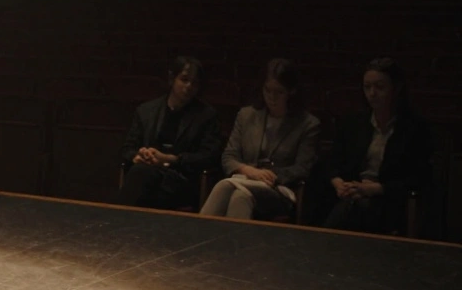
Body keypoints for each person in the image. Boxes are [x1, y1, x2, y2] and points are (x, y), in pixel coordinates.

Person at [322, 57, 433, 235]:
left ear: (396, 89)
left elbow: (418, 177)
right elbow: (332, 162)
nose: (372, 93)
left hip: (388, 199)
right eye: (367, 87)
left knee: (357, 208)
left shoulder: (413, 128)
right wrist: (339, 184)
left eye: (380, 87)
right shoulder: (354, 123)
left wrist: (375, 188)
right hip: (350, 192)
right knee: (346, 203)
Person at [200, 58, 319, 221]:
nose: (272, 97)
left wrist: (270, 176)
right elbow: (229, 157)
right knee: (240, 196)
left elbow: (302, 168)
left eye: (279, 92)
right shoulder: (246, 115)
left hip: (278, 189)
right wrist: (249, 171)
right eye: (267, 90)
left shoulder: (307, 124)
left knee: (226, 186)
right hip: (244, 179)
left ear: (291, 91)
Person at [117, 56, 222, 210]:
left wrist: (170, 159)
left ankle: (116, 223)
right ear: (172, 79)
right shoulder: (146, 111)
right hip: (147, 173)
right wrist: (139, 155)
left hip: (181, 179)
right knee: (142, 175)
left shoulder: (206, 116)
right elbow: (127, 149)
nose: (189, 86)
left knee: (140, 178)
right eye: (184, 80)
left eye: (194, 83)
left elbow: (209, 157)